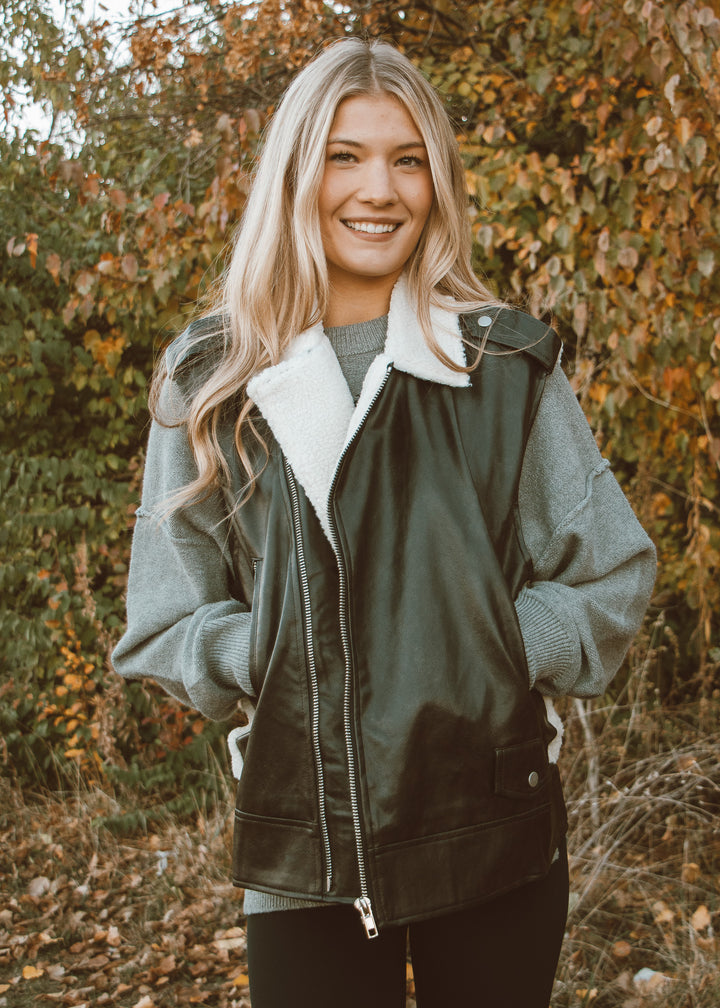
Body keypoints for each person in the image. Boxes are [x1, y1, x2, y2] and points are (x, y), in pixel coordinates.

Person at [112, 38, 656, 1008]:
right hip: (301, 850)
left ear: (437, 185)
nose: (380, 189)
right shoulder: (208, 382)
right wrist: (270, 650)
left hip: (491, 835)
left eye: (409, 159)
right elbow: (164, 619)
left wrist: (488, 640)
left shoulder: (503, 370)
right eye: (345, 155)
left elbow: (611, 577)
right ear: (296, 171)